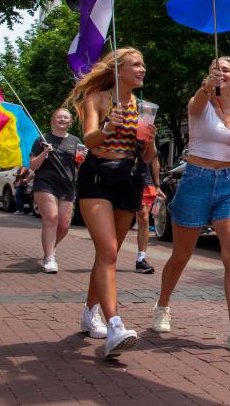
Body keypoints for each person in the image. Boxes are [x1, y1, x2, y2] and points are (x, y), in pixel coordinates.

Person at [153, 56, 230, 354]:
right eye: (215, 68)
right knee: (182, 255)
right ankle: (162, 306)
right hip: (196, 180)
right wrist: (206, 87)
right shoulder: (200, 104)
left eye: (226, 70)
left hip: (228, 182)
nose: (220, 72)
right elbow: (197, 104)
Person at [67, 48, 157, 358]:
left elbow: (147, 156)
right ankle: (115, 325)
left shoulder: (144, 107)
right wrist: (107, 126)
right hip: (98, 177)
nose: (142, 69)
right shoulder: (99, 97)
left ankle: (89, 311)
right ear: (118, 70)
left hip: (129, 178)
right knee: (107, 252)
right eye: (136, 64)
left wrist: (151, 142)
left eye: (143, 64)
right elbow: (90, 140)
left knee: (110, 253)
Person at [29, 108, 83, 274]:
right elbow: (33, 165)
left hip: (66, 185)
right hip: (45, 183)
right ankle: (49, 258)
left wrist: (82, 160)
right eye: (59, 116)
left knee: (64, 226)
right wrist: (45, 152)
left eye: (66, 117)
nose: (62, 119)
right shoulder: (42, 139)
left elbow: (78, 167)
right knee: (52, 218)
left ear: (70, 122)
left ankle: (51, 248)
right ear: (53, 120)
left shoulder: (75, 141)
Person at [134, 157, 162, 274]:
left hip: (146, 181)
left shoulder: (149, 139)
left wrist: (157, 185)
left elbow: (154, 159)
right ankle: (109, 255)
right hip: (123, 178)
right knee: (120, 218)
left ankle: (141, 259)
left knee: (144, 218)